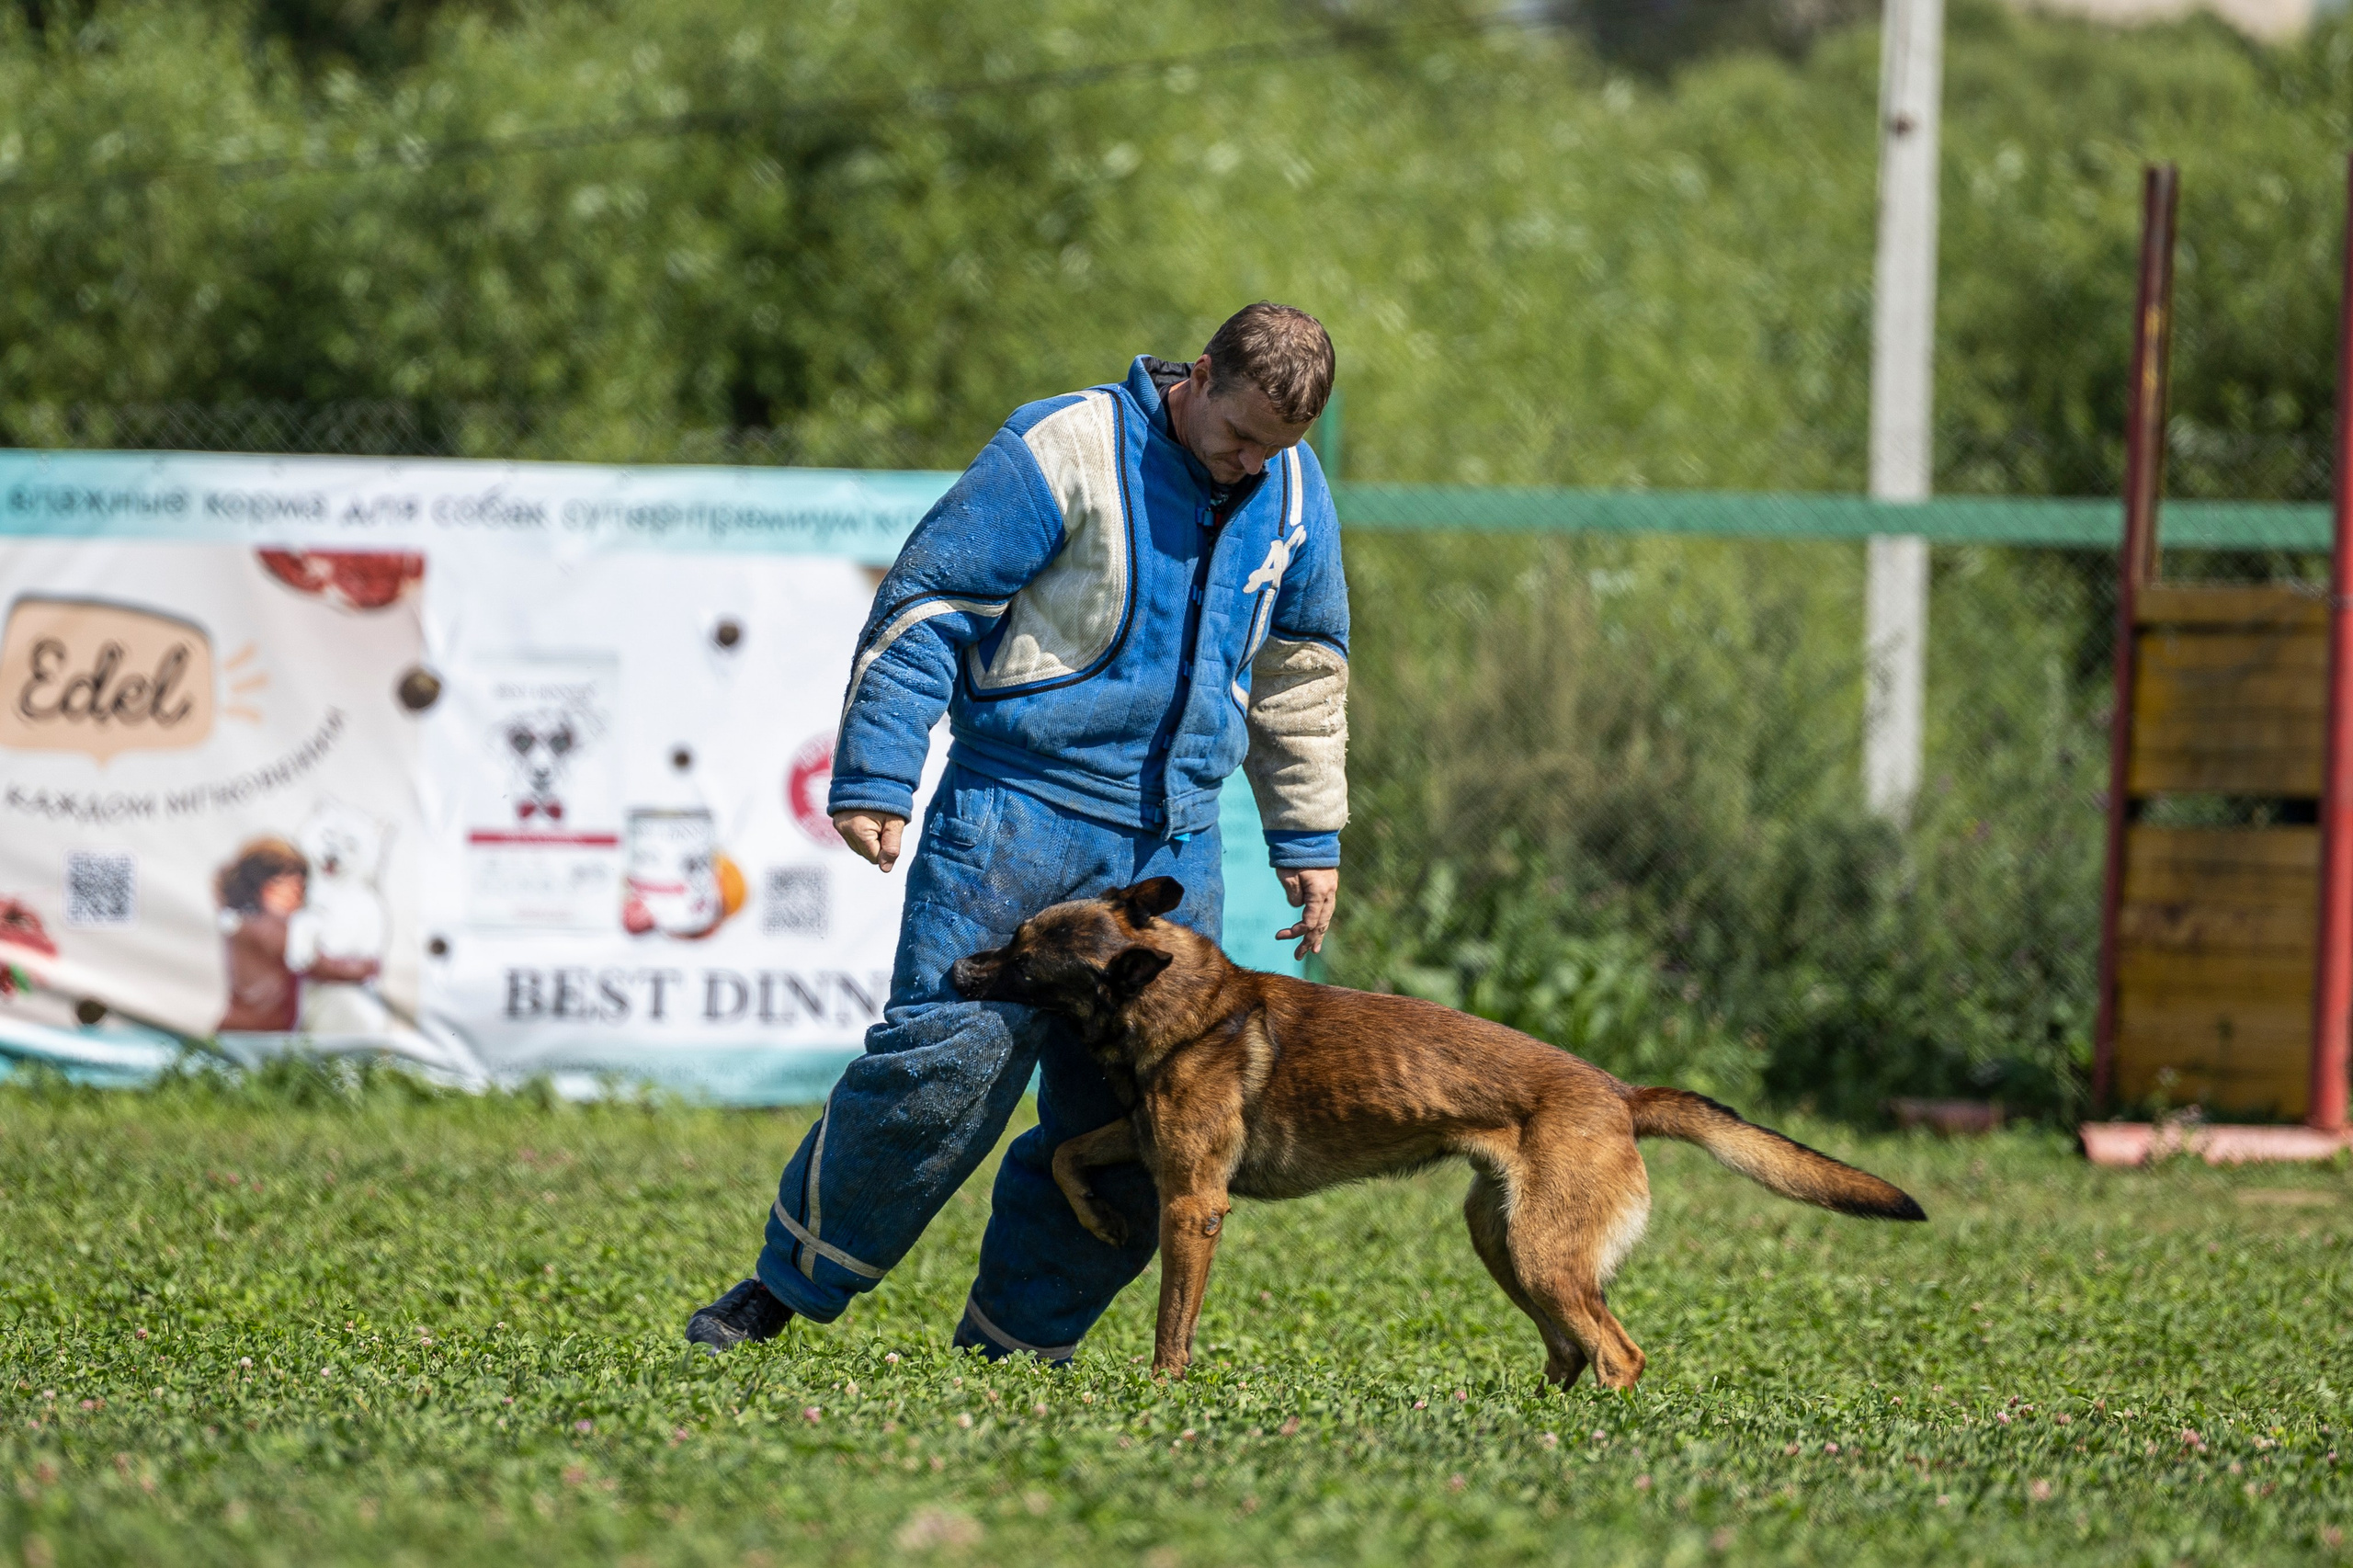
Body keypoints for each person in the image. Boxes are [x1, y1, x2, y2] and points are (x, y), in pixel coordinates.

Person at [687, 302, 1351, 1362]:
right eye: (1237, 437)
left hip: (1173, 845)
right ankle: (781, 1286)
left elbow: (1303, 673)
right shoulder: (1064, 444)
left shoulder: (1296, 489)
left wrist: (1308, 839)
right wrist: (879, 772)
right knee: (941, 1065)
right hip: (1017, 811)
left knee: (1147, 1119)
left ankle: (1014, 1350)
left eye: (1275, 448)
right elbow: (927, 606)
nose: (1249, 466)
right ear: (1199, 374)